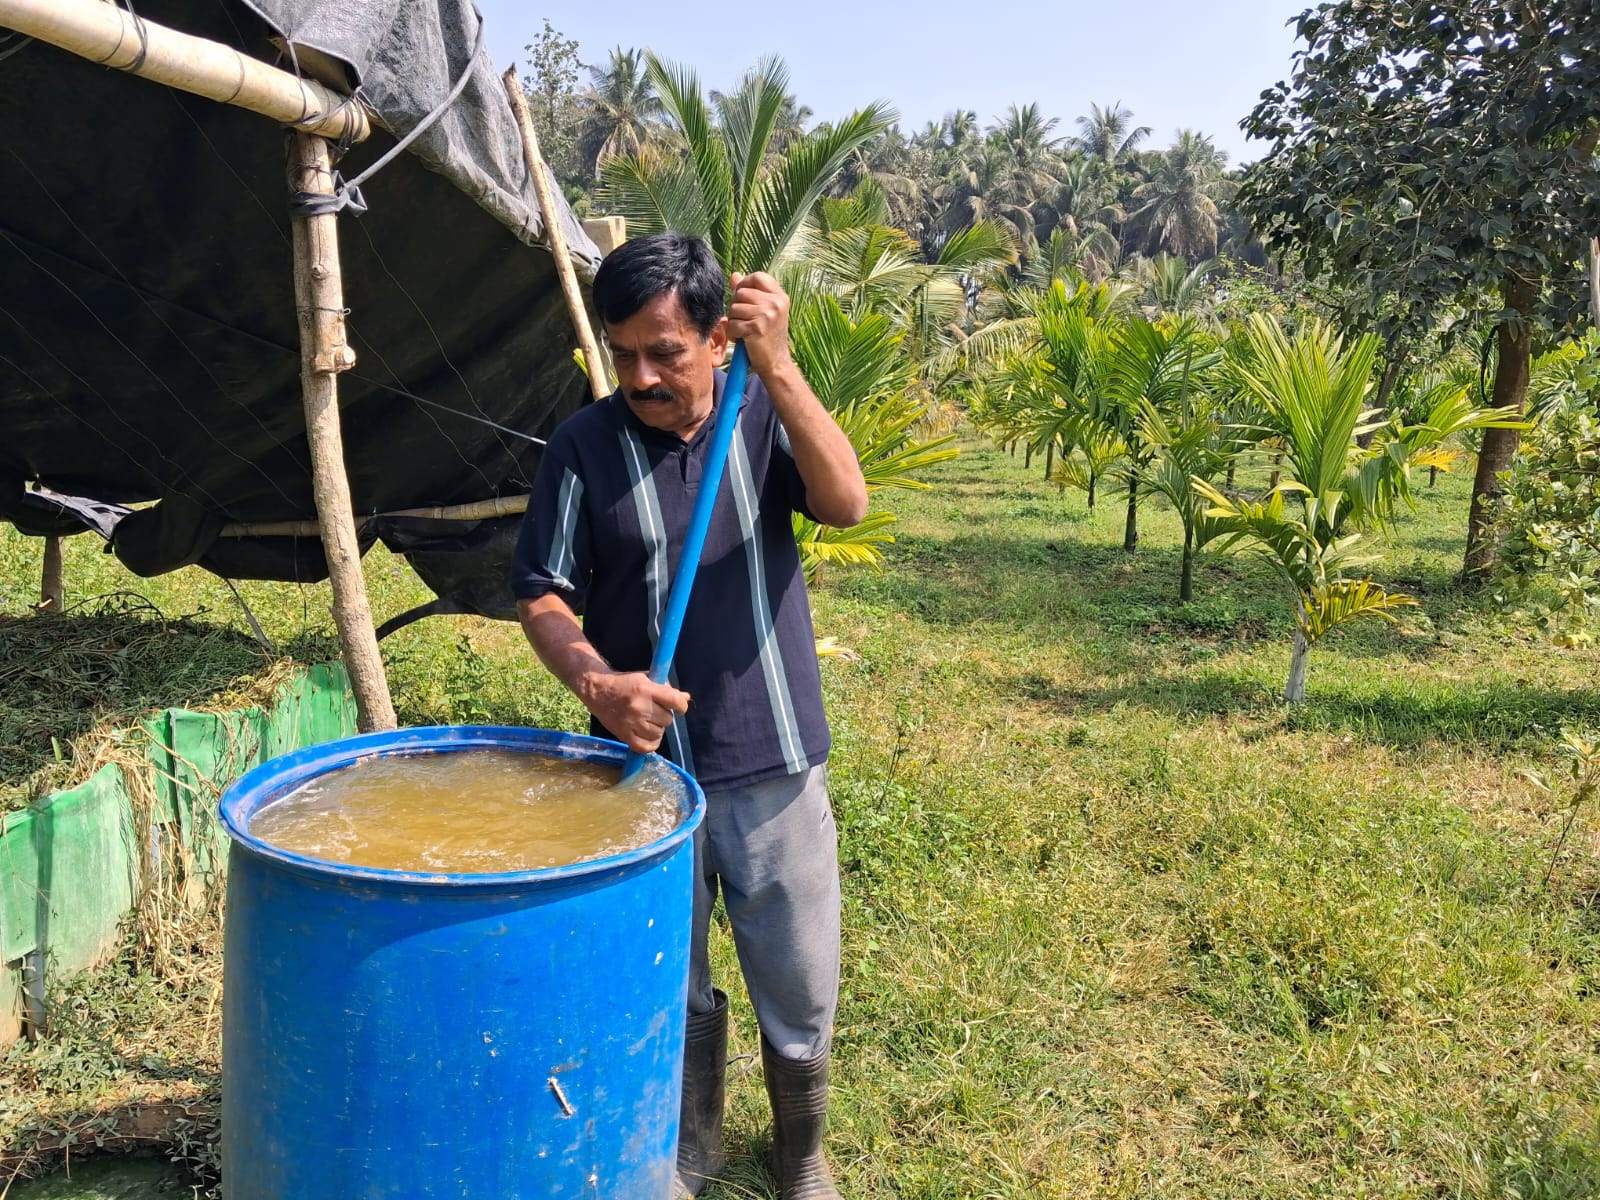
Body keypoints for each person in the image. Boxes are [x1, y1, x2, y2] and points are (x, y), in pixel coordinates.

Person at [511, 231, 867, 1198]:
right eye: (623, 353)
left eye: (665, 351)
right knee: (670, 968)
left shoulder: (762, 413)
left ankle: (802, 1152)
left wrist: (782, 366)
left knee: (795, 970)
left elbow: (845, 502)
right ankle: (692, 1138)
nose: (642, 375)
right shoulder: (586, 446)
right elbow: (543, 594)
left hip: (771, 745)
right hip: (643, 767)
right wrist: (599, 685)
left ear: (718, 341)